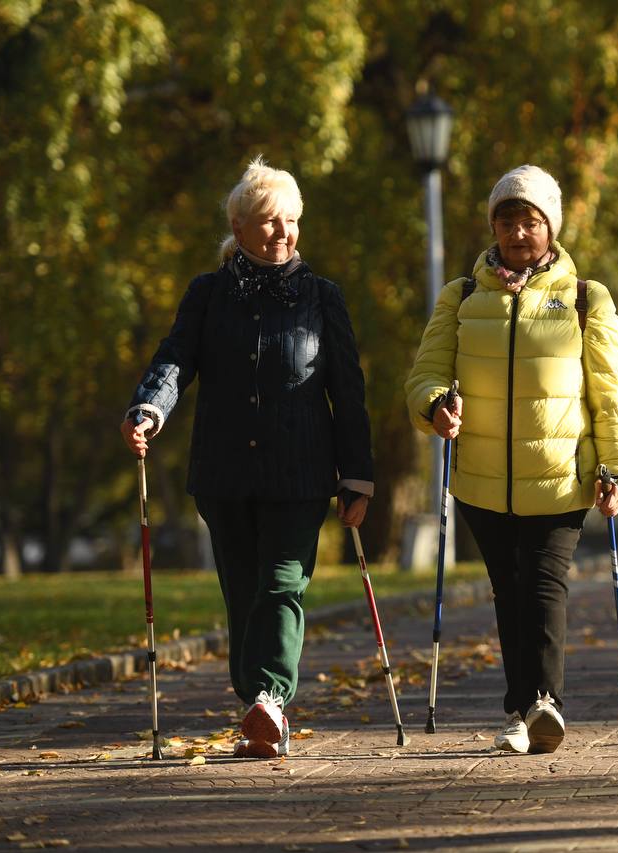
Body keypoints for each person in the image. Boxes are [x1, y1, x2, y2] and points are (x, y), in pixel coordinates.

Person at [120, 157, 373, 757]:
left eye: (291, 221)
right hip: (225, 472)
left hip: (302, 470)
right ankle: (256, 698)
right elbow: (176, 359)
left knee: (283, 584)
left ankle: (269, 700)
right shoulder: (208, 295)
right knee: (243, 590)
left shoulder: (322, 298)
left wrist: (357, 476)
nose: (281, 232)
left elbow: (348, 391)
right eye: (267, 221)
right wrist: (149, 409)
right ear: (237, 227)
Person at [405, 164, 618, 755]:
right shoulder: (461, 296)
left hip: (561, 476)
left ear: (551, 229)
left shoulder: (587, 299)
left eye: (529, 221)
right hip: (482, 480)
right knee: (507, 593)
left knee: (542, 587)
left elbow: (612, 394)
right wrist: (435, 405)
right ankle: (523, 707)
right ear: (493, 228)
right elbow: (428, 371)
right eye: (506, 220)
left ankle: (545, 704)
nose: (517, 232)